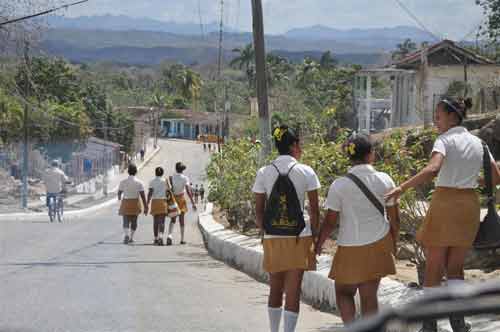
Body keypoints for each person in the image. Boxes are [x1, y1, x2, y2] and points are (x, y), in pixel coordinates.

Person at [385, 98, 500, 332]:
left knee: (434, 267)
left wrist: (402, 187)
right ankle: (458, 322)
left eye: (438, 116)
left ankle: (430, 324)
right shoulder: (479, 143)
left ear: (451, 116)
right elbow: (495, 178)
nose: (435, 121)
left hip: (445, 202)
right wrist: (467, 180)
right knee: (456, 267)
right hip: (469, 204)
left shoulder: (444, 140)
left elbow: (433, 169)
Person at [315, 134, 400, 326]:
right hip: (379, 242)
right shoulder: (385, 180)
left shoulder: (339, 185)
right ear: (370, 154)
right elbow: (395, 218)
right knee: (370, 297)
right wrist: (394, 242)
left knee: (344, 292)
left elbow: (330, 221)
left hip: (350, 246)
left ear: (349, 157)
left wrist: (319, 243)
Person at [253, 125, 320, 332]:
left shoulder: (264, 172)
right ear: (294, 145)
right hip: (299, 237)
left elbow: (258, 212)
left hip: (273, 236)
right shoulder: (306, 171)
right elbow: (315, 211)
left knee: (275, 287)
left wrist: (267, 231)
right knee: (293, 290)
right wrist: (315, 239)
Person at [166, 162, 197, 245]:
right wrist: (193, 203)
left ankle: (169, 235)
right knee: (182, 219)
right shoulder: (185, 178)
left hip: (173, 199)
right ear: (183, 170)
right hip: (181, 199)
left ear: (176, 169)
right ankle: (182, 239)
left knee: (173, 219)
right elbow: (188, 191)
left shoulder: (171, 177)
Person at [118, 164, 148, 245]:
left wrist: (119, 199)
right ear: (136, 172)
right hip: (135, 202)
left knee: (125, 221)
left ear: (128, 172)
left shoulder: (123, 182)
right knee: (134, 222)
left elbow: (119, 193)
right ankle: (131, 237)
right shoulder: (139, 183)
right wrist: (146, 206)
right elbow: (143, 195)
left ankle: (126, 235)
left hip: (126, 202)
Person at [147, 167, 168, 246]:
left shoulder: (152, 182)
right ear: (162, 173)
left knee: (155, 221)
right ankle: (161, 237)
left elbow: (150, 193)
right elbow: (168, 192)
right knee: (162, 221)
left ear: (155, 173)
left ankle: (156, 238)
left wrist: (147, 203)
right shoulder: (165, 181)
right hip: (163, 202)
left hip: (155, 202)